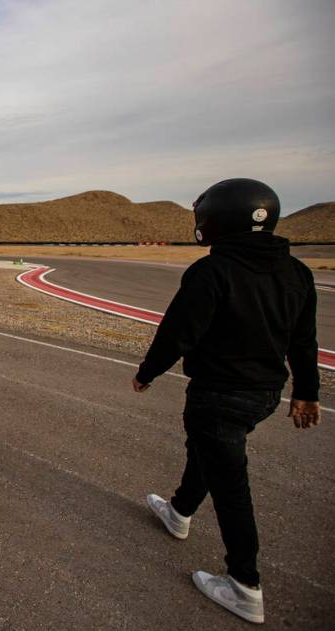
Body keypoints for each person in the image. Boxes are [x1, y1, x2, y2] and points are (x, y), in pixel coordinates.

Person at [131, 178, 321, 625]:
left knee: (230, 484)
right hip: (264, 396)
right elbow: (304, 339)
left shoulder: (212, 271)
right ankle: (179, 511)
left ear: (219, 219)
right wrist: (306, 390)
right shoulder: (297, 272)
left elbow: (179, 331)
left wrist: (147, 373)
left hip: (219, 392)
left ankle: (244, 585)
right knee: (210, 450)